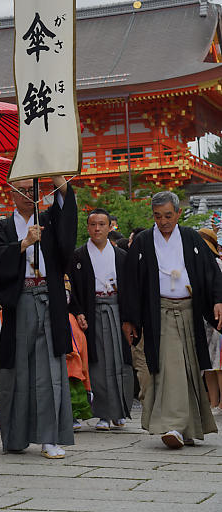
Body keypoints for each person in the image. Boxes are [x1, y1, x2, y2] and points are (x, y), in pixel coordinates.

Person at [0, 174, 77, 459]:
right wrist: (23, 244)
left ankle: (50, 438)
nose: (27, 195)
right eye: (21, 190)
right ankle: (16, 436)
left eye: (31, 190)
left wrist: (57, 175)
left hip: (48, 298)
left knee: (50, 369)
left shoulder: (48, 221)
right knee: (19, 372)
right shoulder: (1, 227)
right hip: (20, 301)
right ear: (10, 193)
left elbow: (67, 215)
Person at [122, 191, 222, 449]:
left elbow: (212, 273)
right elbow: (131, 282)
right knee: (171, 365)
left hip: (190, 310)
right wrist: (130, 319)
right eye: (157, 216)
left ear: (178, 213)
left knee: (190, 367)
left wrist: (218, 300)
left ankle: (188, 427)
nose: (163, 221)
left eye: (168, 215)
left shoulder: (190, 238)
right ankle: (174, 425)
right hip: (159, 313)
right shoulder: (144, 241)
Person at [69, 208, 133, 431]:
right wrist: (78, 312)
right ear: (87, 227)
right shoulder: (78, 256)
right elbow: (72, 290)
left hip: (116, 309)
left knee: (119, 361)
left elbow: (130, 290)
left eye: (102, 224)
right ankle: (103, 413)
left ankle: (120, 412)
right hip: (91, 311)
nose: (97, 229)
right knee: (96, 363)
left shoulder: (122, 256)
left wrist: (130, 317)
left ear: (110, 227)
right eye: (93, 224)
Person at [198, 227, 222, 412]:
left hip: (217, 318)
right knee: (207, 365)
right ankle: (213, 402)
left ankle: (220, 402)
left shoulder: (218, 264)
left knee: (219, 364)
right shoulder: (195, 264)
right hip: (201, 317)